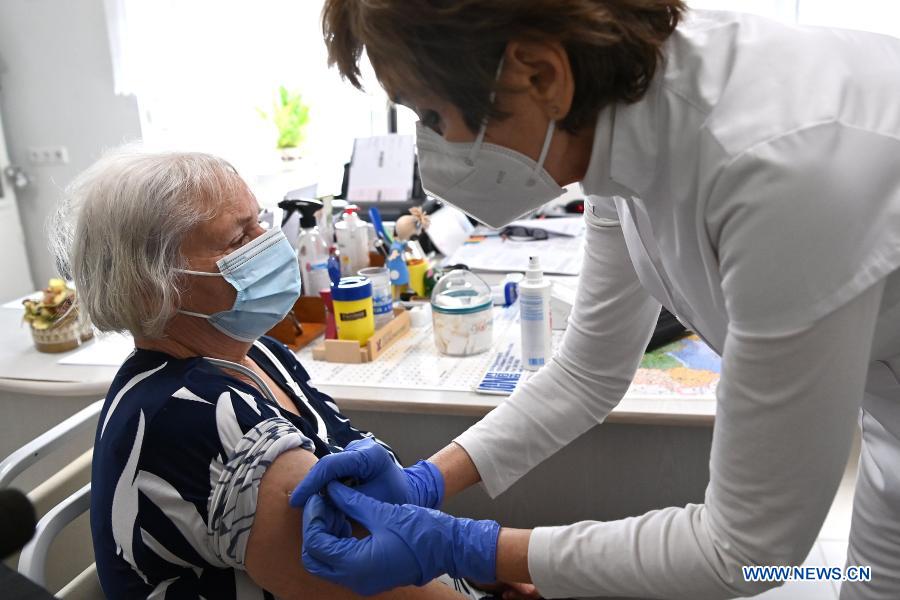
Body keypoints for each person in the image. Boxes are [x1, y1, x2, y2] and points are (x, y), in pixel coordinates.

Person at [290, 2, 900, 599]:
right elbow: (588, 373)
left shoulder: (783, 164)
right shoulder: (612, 124)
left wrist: (464, 546)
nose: (431, 148)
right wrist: (427, 480)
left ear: (540, 75)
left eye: (430, 114)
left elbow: (745, 552)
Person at [53, 148, 496, 600]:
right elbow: (377, 591)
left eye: (258, 221)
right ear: (154, 288)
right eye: (237, 238)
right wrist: (487, 557)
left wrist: (470, 560)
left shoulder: (259, 354)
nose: (267, 242)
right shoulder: (198, 419)